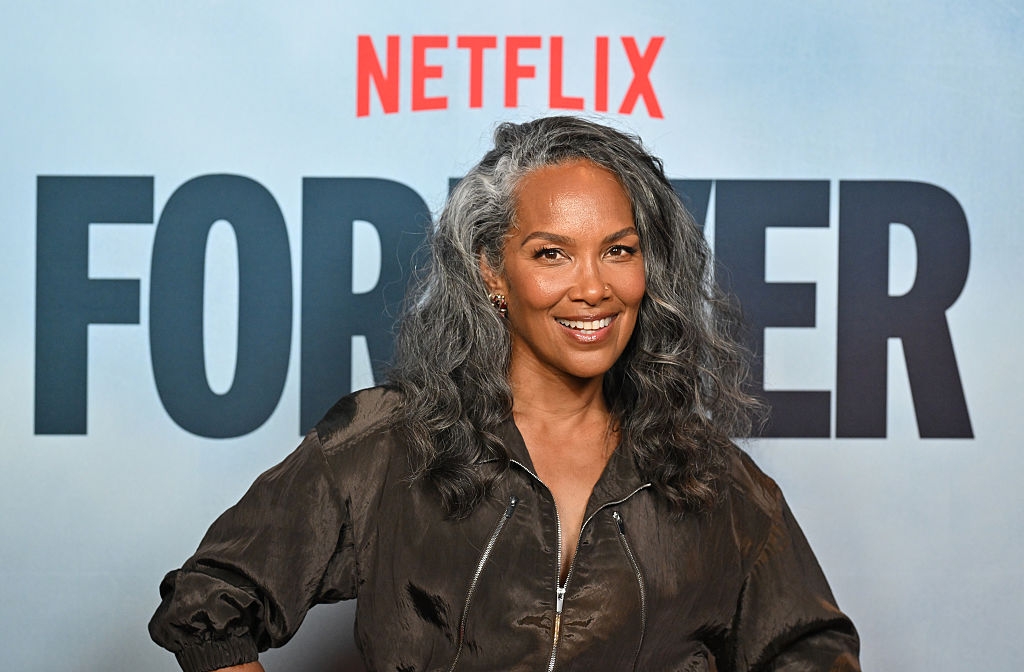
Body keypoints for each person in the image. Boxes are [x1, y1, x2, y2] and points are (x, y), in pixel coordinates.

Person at [149, 116, 860, 671]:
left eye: (619, 249)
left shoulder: (716, 482)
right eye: (552, 253)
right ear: (493, 270)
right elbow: (211, 606)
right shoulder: (389, 444)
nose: (593, 287)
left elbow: (812, 653)